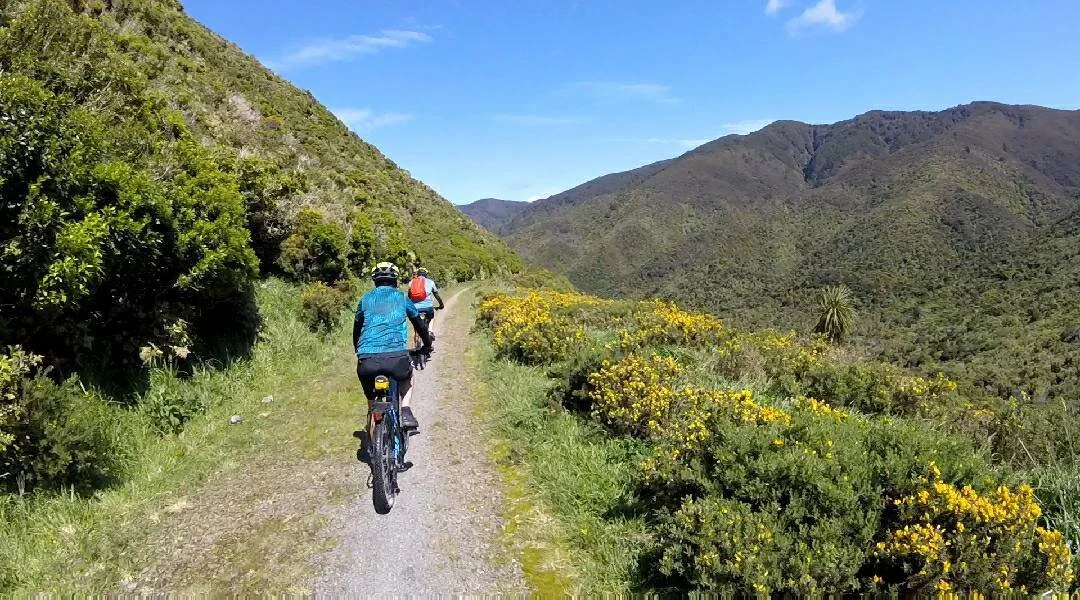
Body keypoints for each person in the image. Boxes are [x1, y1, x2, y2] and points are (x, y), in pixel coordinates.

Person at [353, 262, 432, 435]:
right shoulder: (402, 297)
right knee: (409, 377)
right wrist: (427, 345)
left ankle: (372, 427)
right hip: (396, 359)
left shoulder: (365, 299)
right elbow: (419, 324)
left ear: (375, 280)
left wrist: (357, 349)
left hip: (366, 360)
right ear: (395, 280)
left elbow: (356, 327)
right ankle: (405, 409)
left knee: (371, 397)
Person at [409, 267, 445, 340]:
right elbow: (436, 295)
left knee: (416, 321)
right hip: (428, 307)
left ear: (417, 274)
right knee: (431, 317)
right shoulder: (431, 282)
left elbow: (409, 297)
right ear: (426, 274)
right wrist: (441, 304)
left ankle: (416, 334)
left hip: (415, 308)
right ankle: (430, 331)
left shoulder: (411, 282)